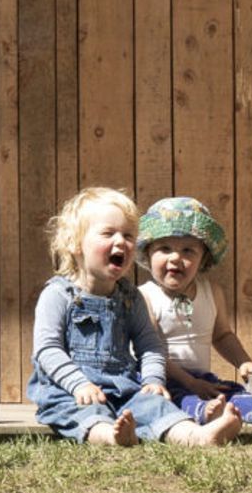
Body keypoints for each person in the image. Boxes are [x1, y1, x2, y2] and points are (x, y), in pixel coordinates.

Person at [28, 187, 231, 448]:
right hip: (70, 391)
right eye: (108, 233)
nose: (121, 241)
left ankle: (196, 435)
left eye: (128, 235)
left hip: (124, 386)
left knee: (156, 406)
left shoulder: (129, 296)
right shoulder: (58, 295)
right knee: (87, 414)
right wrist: (79, 385)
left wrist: (153, 381)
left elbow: (150, 344)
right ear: (74, 243)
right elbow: (47, 350)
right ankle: (111, 436)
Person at [135, 196, 252, 431]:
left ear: (204, 258)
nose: (175, 257)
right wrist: (189, 382)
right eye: (164, 248)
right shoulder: (145, 297)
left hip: (200, 377)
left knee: (229, 391)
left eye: (188, 250)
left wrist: (244, 363)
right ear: (147, 255)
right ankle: (203, 413)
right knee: (174, 398)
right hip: (159, 380)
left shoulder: (211, 293)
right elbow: (150, 352)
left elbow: (222, 336)